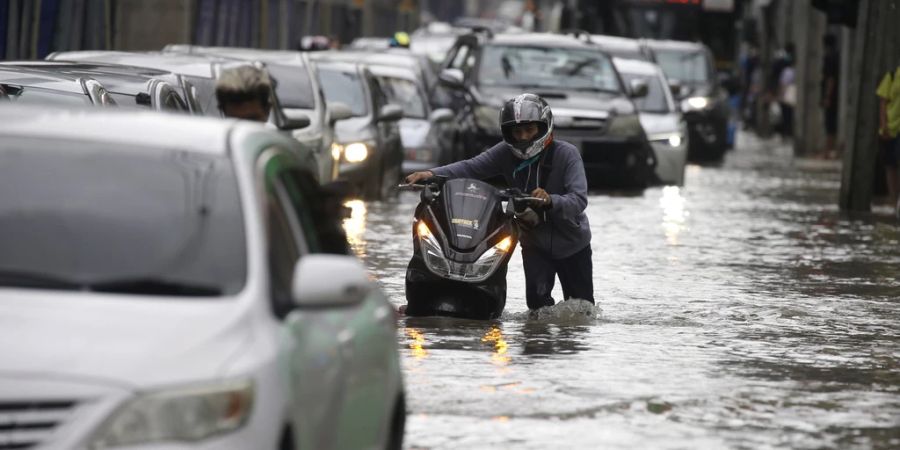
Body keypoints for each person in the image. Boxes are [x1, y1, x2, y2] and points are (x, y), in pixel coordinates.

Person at [405, 93, 594, 312]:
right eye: (517, 131)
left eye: (529, 130)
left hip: (573, 245)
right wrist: (430, 173)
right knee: (538, 311)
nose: (523, 137)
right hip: (534, 244)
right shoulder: (505, 153)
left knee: (582, 310)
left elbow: (578, 200)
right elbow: (471, 167)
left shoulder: (568, 154)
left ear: (544, 127)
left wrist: (550, 200)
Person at [877, 64, 900, 218]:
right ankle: (894, 200)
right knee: (891, 165)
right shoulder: (891, 76)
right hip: (891, 128)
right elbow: (883, 102)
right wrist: (884, 125)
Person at [821, 34, 840, 159]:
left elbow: (830, 79)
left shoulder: (829, 57)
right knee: (831, 124)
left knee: (829, 124)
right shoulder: (838, 56)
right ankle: (830, 151)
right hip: (836, 95)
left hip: (831, 96)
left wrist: (827, 96)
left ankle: (828, 152)